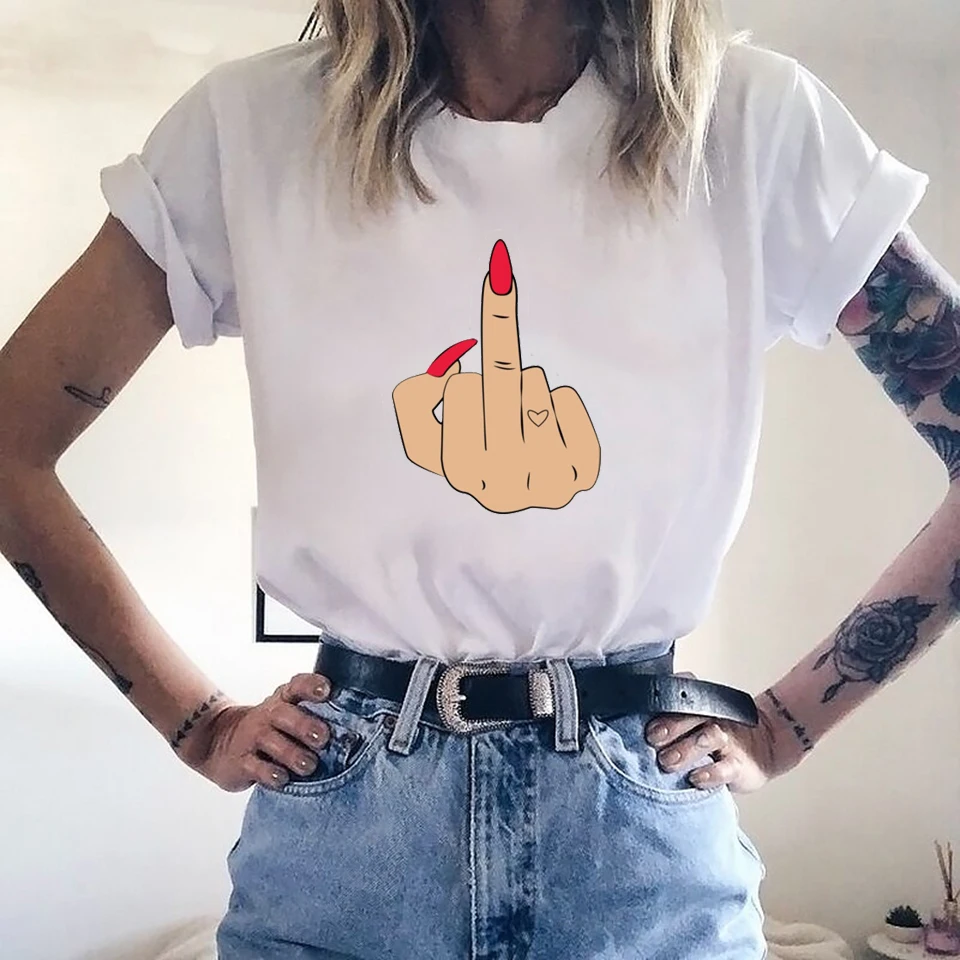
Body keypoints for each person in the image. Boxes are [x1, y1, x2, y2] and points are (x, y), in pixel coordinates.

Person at [0, 0, 955, 956]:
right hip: (345, 840)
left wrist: (783, 726)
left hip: (636, 844)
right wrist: (200, 725)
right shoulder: (246, 128)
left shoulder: (757, 123)